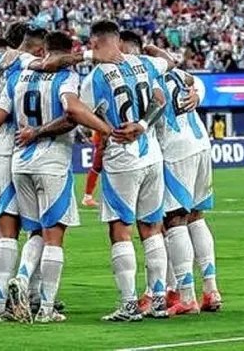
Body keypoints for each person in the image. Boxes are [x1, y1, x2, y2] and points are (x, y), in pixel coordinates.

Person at [0, 31, 115, 323]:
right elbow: (72, 110)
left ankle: (5, 296)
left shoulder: (21, 74)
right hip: (51, 162)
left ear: (43, 51)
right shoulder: (68, 77)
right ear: (69, 51)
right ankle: (44, 306)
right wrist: (104, 129)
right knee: (54, 236)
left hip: (19, 162)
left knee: (34, 231)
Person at [78, 20, 174, 322]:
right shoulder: (143, 63)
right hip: (152, 154)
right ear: (118, 40)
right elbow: (162, 100)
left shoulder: (95, 76)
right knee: (152, 226)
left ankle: (129, 304)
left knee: (120, 228)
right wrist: (143, 125)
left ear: (94, 43)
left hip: (121, 156)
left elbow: (80, 116)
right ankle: (158, 300)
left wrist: (103, 130)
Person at [125, 30, 217, 316]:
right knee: (195, 217)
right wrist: (197, 94)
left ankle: (184, 296)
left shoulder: (141, 77)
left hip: (176, 152)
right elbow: (196, 81)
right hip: (201, 144)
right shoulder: (173, 71)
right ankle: (210, 289)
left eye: (126, 53)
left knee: (172, 221)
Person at [81, 130, 104, 208]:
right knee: (96, 167)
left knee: (97, 168)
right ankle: (87, 197)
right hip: (103, 139)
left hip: (104, 139)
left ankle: (87, 197)